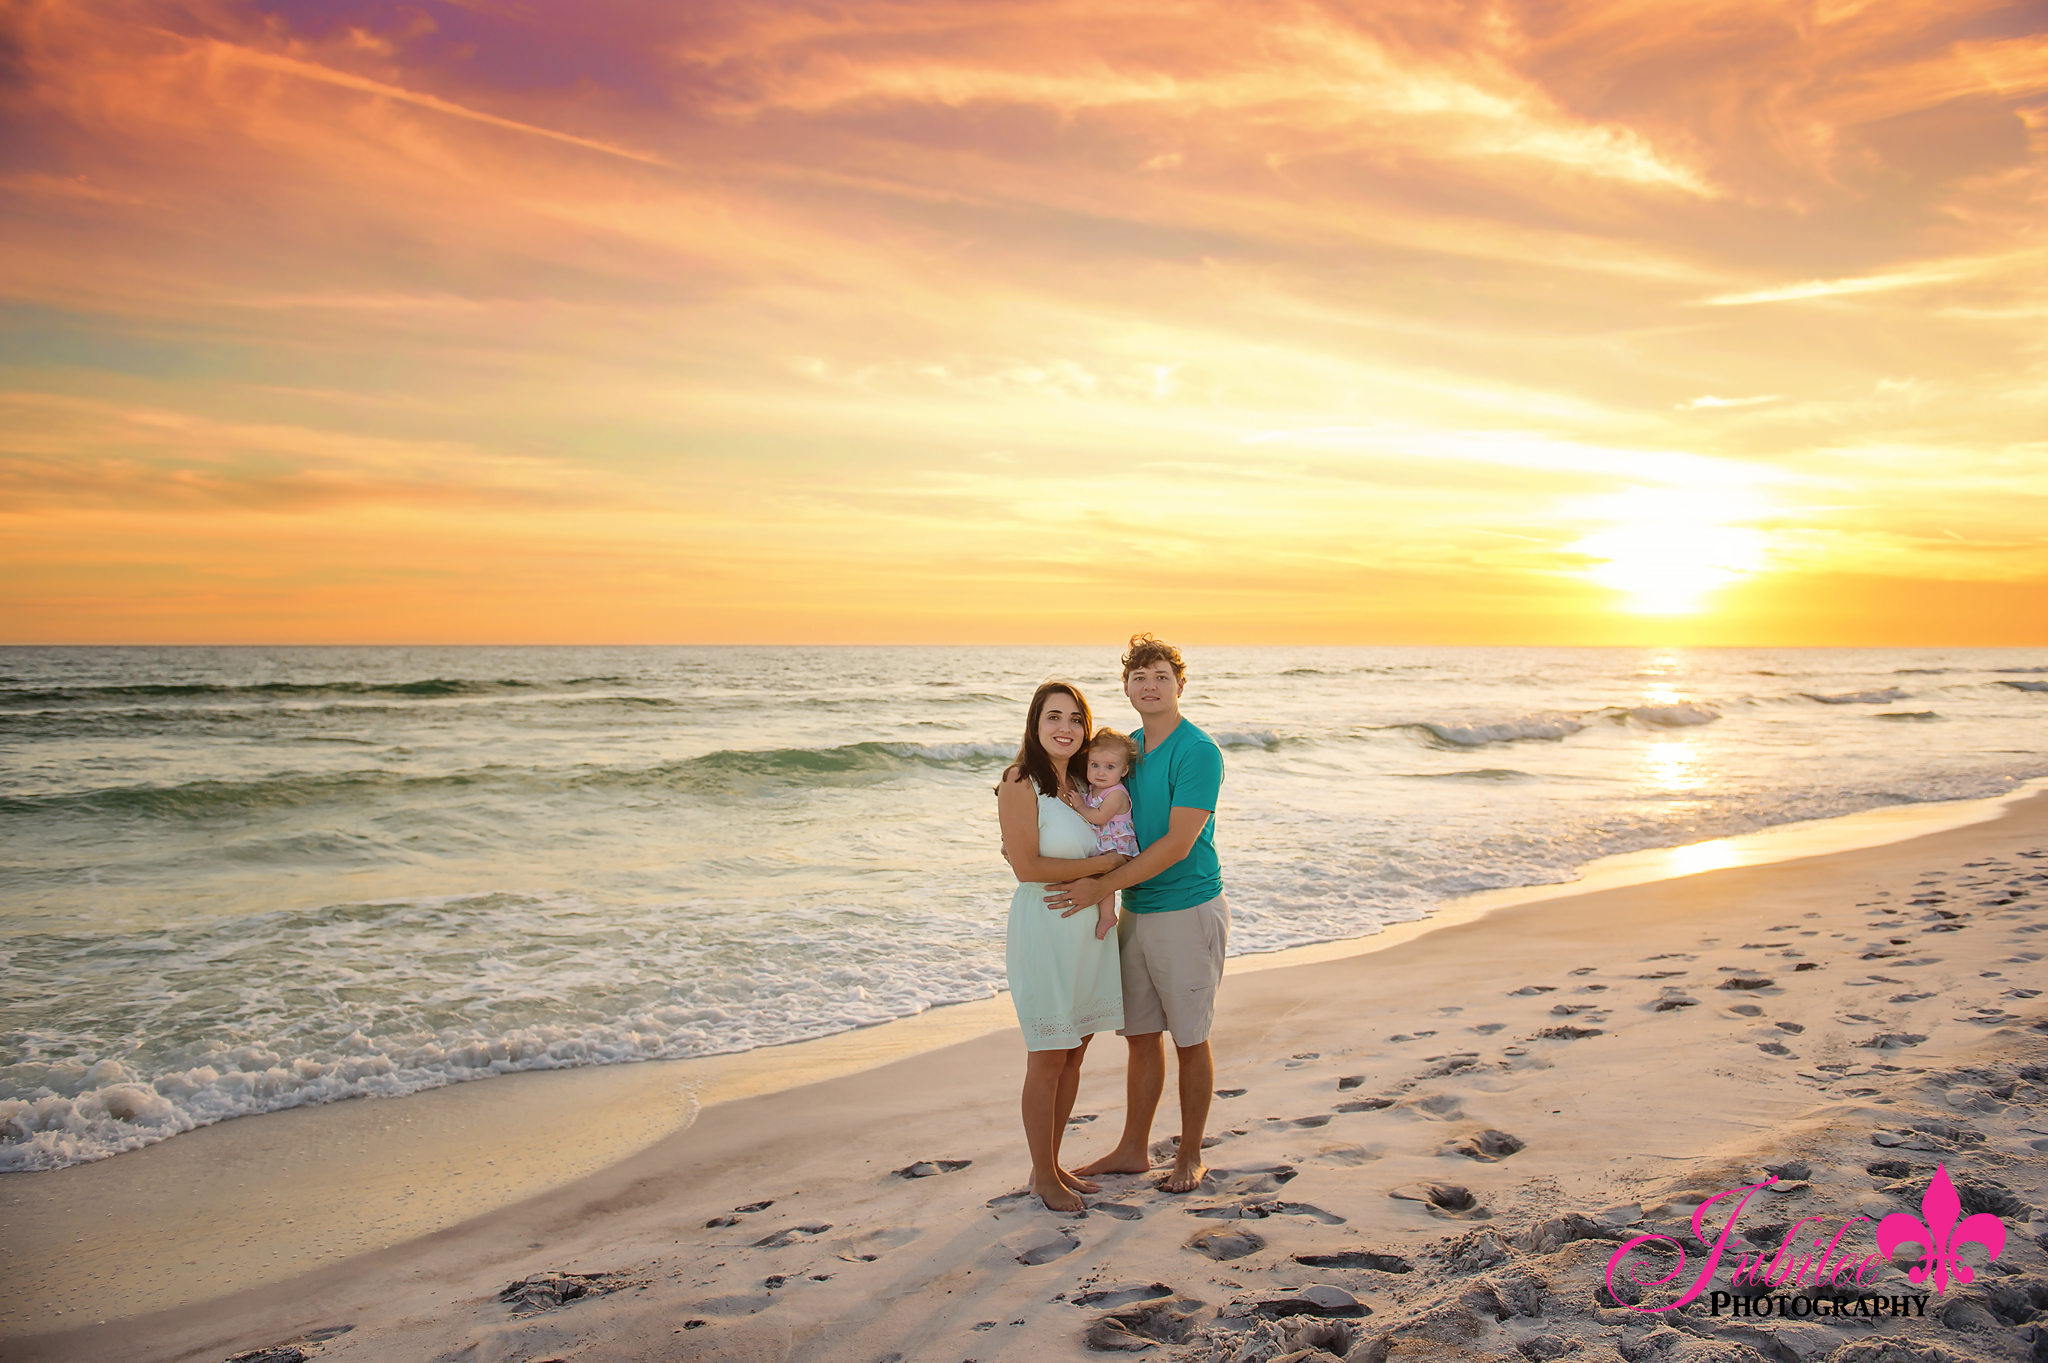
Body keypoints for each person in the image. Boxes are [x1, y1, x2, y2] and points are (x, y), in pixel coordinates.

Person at [1050, 635, 1227, 1194]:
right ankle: (1132, 1149)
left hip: (1187, 908)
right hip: (1137, 909)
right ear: (1126, 688)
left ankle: (1191, 1153)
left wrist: (1100, 884)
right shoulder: (1126, 749)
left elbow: (1176, 843)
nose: (1148, 686)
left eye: (1159, 676)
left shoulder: (1198, 750)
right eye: (1138, 678)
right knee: (1141, 1035)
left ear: (1179, 684)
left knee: (1189, 1037)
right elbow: (1091, 812)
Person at [996, 680, 1131, 1213]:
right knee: (1048, 1053)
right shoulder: (1019, 780)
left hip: (1086, 934)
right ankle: (1043, 1176)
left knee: (1074, 1051)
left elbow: (1117, 834)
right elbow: (1027, 867)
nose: (1065, 728)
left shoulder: (1084, 783)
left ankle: (1049, 1166)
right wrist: (1104, 868)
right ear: (1035, 723)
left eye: (1076, 719)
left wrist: (1110, 869)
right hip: (1047, 930)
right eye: (1054, 717)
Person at [1061, 728, 1140, 941]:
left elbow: (1099, 817)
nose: (1101, 772)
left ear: (1124, 771)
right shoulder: (1093, 788)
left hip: (1117, 846)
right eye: (1094, 765)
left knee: (1102, 877)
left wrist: (1078, 805)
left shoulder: (1115, 793)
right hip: (1104, 844)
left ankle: (1107, 916)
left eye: (1110, 767)